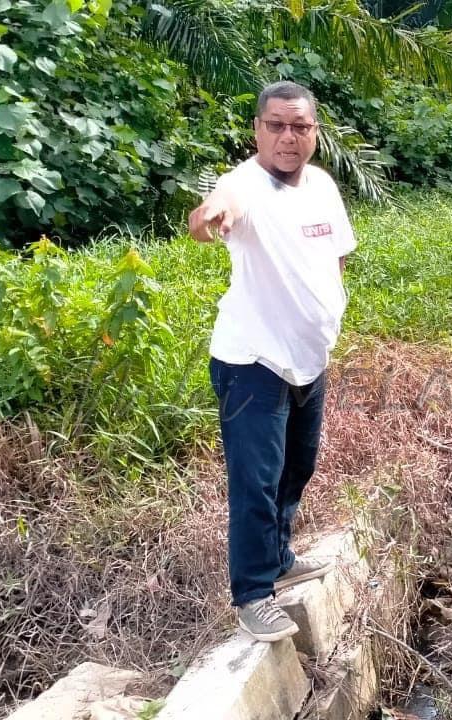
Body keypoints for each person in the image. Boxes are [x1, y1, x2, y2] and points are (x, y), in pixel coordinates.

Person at [187, 81, 356, 642]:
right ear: (258, 129)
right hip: (253, 363)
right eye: (277, 126)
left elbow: (335, 260)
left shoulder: (324, 187)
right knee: (255, 481)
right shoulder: (243, 185)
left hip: (310, 359)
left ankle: (280, 555)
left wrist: (324, 320)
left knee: (296, 468)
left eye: (300, 127)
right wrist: (210, 216)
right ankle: (254, 593)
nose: (289, 137)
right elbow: (218, 208)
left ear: (315, 132)